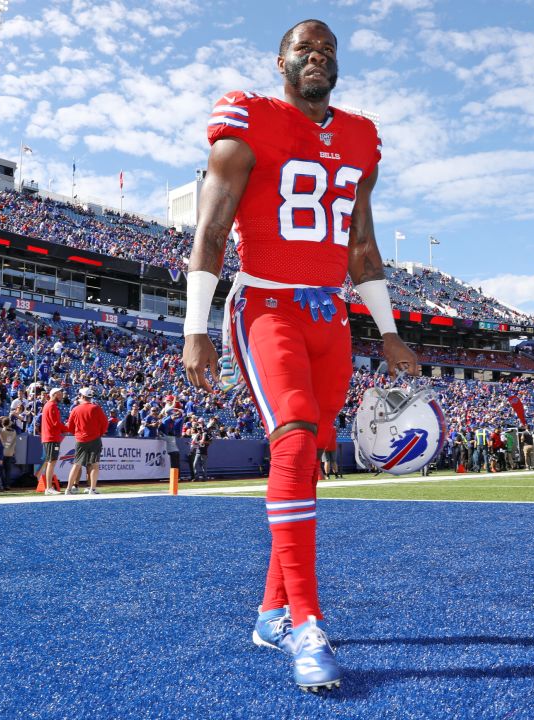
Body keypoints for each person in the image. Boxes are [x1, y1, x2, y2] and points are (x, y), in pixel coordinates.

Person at [180, 18, 418, 692]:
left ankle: (269, 613)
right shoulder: (249, 117)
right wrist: (196, 327)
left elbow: (362, 246)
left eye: (329, 50)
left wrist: (389, 329)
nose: (317, 57)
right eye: (304, 49)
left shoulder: (359, 137)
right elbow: (212, 228)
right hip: (266, 306)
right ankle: (307, 622)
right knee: (290, 438)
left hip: (331, 313)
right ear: (280, 60)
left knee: (308, 457)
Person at [64, 387, 108, 495]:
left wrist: (78, 434)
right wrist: (99, 433)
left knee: (76, 464)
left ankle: (68, 489)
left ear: (82, 397)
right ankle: (92, 489)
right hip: (94, 439)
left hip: (80, 440)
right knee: (94, 464)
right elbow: (105, 424)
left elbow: (69, 427)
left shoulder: (75, 409)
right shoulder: (96, 408)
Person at [38, 387, 66, 495]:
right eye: (59, 394)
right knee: (51, 461)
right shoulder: (52, 406)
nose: (61, 396)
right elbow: (55, 423)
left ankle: (49, 487)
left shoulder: (49, 405)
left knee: (51, 461)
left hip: (51, 437)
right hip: (51, 438)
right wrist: (67, 428)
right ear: (54, 395)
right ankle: (49, 487)